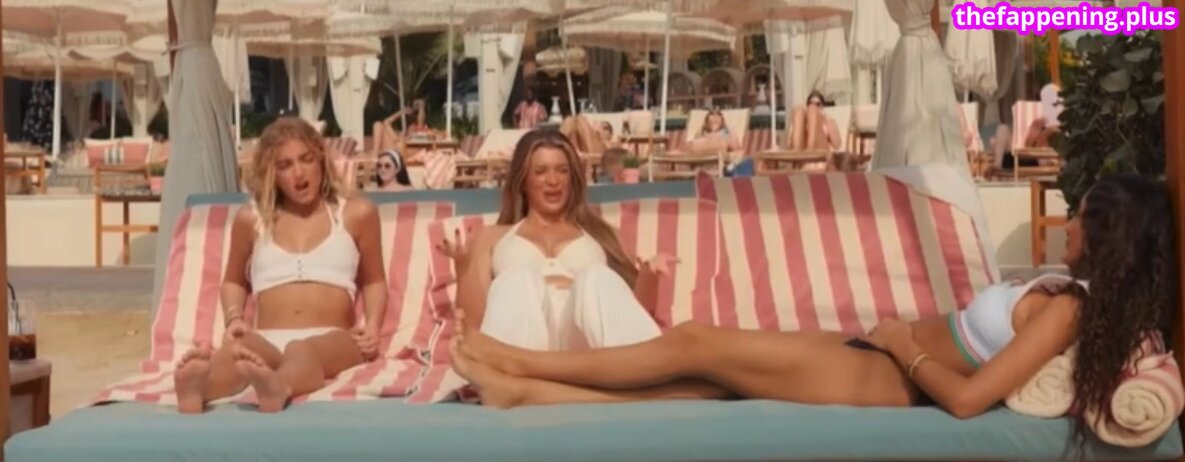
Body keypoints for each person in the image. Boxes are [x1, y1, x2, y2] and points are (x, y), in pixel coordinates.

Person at [450, 175, 1178, 433]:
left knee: (695, 341)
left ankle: (516, 360)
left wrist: (901, 344)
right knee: (704, 381)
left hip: (887, 377)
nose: (1069, 223)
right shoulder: (1069, 298)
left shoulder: (1068, 311)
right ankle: (525, 392)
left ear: (1108, 235)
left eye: (1082, 216)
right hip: (876, 360)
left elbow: (966, 401)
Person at [173, 117, 388, 414]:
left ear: (321, 160)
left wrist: (373, 327)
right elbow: (233, 281)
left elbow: (374, 280)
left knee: (303, 350)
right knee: (241, 348)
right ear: (271, 174)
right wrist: (234, 318)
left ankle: (279, 386)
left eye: (306, 159)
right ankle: (199, 387)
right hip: (267, 338)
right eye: (285, 165)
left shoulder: (356, 214)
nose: (299, 173)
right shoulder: (252, 220)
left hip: (334, 337)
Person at [435, 130, 676, 353]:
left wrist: (649, 275)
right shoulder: (491, 237)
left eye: (562, 170)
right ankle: (515, 372)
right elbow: (475, 324)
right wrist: (464, 270)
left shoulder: (603, 235)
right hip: (523, 348)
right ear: (523, 180)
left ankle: (648, 368)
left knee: (596, 278)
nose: (553, 180)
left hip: (582, 346)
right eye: (541, 171)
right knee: (516, 279)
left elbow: (629, 316)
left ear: (573, 178)